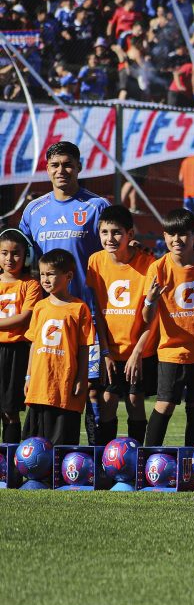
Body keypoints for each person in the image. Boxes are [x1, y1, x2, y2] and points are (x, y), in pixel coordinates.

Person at [18, 141, 109, 444]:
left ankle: (98, 460)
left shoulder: (96, 207)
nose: (62, 170)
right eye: (55, 165)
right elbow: (22, 260)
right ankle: (49, 454)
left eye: (68, 164)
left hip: (91, 313)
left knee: (93, 388)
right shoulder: (34, 210)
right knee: (52, 385)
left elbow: (113, 250)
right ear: (47, 169)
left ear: (79, 167)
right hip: (51, 319)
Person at [141, 209, 194, 447]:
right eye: (171, 234)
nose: (176, 240)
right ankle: (148, 458)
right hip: (171, 351)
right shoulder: (157, 268)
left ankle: (189, 461)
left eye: (183, 234)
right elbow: (147, 317)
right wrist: (151, 299)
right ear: (164, 236)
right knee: (165, 403)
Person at [85, 205, 156, 446]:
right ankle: (107, 462)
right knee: (107, 402)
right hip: (110, 351)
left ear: (130, 235)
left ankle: (136, 461)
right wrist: (104, 352)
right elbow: (98, 314)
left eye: (116, 232)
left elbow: (153, 317)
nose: (109, 238)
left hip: (138, 349)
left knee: (136, 403)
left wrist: (137, 353)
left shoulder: (148, 263)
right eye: (104, 232)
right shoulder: (95, 262)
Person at [22, 249, 93, 446]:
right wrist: (28, 376)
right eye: (42, 274)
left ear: (68, 276)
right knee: (33, 442)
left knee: (61, 442)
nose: (45, 279)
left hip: (64, 385)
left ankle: (59, 477)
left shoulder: (79, 309)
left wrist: (81, 378)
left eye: (51, 274)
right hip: (39, 385)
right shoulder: (40, 307)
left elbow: (84, 347)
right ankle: (35, 476)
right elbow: (34, 343)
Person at [0, 230, 41, 444]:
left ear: (26, 256)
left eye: (16, 253)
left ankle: (10, 465)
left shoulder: (31, 284)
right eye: (4, 253)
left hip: (16, 352)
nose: (10, 258)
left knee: (10, 411)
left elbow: (24, 318)